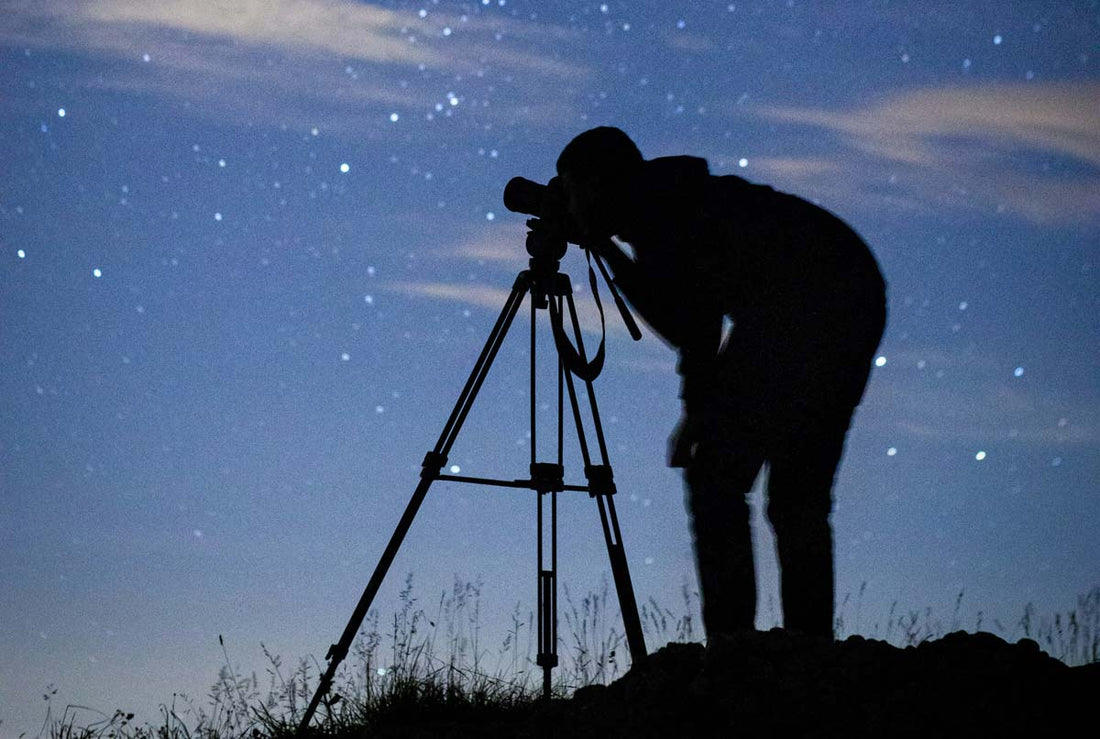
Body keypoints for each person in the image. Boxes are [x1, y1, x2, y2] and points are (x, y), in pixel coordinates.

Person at [555, 127, 886, 639]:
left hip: (807, 305)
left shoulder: (659, 210)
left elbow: (692, 325)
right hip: (846, 295)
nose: (569, 205)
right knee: (796, 496)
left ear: (599, 185)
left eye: (572, 191)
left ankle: (735, 647)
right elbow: (692, 316)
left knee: (719, 477)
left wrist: (699, 415)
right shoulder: (668, 198)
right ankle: (807, 649)